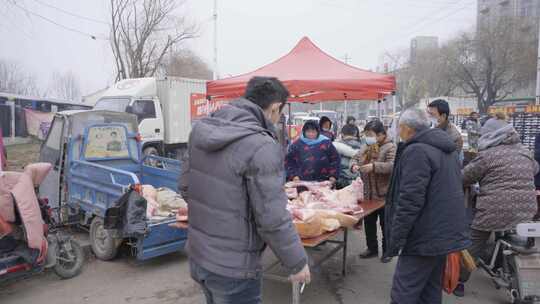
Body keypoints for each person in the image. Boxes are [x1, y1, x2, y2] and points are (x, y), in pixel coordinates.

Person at [179, 76, 310, 304]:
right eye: (280, 113)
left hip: (199, 257)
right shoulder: (261, 145)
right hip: (234, 270)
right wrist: (297, 262)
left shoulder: (201, 130)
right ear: (275, 107)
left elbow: (185, 187)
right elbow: (272, 219)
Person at [385, 108, 470, 304]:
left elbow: (409, 201)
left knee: (404, 292)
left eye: (399, 128)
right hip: (444, 232)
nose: (398, 132)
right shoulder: (445, 148)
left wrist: (396, 239)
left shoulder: (417, 151)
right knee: (430, 292)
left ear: (406, 128)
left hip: (424, 235)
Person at [455, 118, 539, 297]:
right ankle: (504, 265)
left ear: (490, 136)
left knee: (474, 242)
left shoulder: (487, 156)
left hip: (494, 210)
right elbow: (535, 169)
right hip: (526, 209)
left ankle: (459, 282)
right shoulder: (525, 152)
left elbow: (464, 177)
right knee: (511, 230)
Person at [350, 120, 396, 263]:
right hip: (368, 193)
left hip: (384, 194)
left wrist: (374, 166)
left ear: (381, 134)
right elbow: (355, 158)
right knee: (369, 223)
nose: (368, 137)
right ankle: (372, 248)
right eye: (367, 134)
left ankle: (388, 251)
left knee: (385, 224)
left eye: (371, 134)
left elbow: (392, 166)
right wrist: (354, 166)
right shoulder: (366, 146)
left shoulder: (391, 147)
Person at [333, 124, 363, 189]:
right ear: (355, 134)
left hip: (341, 181)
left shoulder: (335, 146)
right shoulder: (363, 146)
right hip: (357, 182)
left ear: (342, 134)